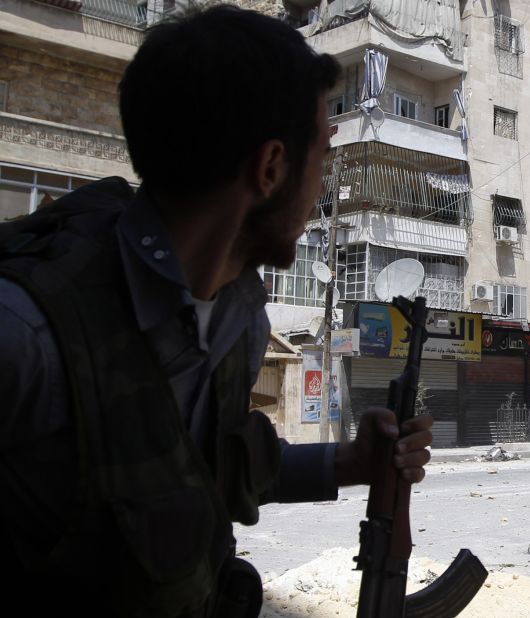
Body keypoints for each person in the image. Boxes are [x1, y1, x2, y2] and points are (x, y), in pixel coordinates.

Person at [0, 5, 432, 616]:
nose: (321, 190)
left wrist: (349, 463)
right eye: (322, 156)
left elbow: (199, 468)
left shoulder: (238, 321)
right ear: (271, 167)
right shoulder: (26, 335)